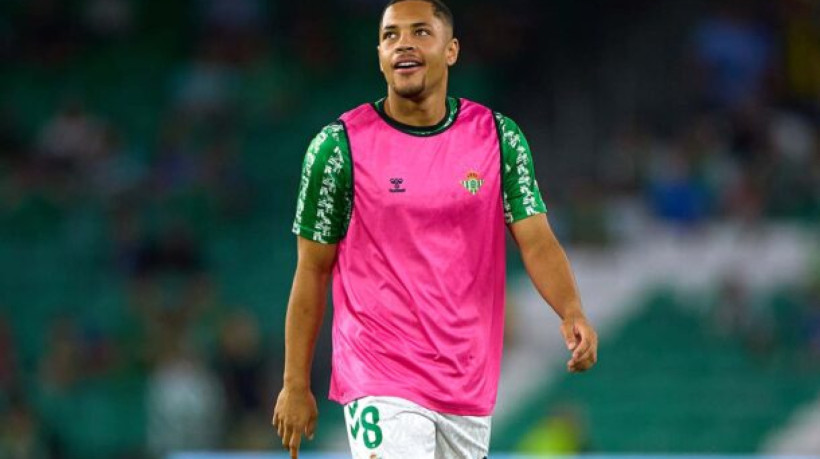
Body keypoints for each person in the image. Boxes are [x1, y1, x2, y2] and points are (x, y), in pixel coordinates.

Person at [272, 1, 598, 457]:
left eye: (420, 32)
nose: (403, 43)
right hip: (379, 372)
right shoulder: (338, 147)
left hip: (466, 378)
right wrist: (295, 382)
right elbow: (312, 269)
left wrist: (571, 310)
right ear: (380, 56)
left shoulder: (497, 138)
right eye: (390, 36)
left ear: (451, 50)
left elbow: (537, 241)